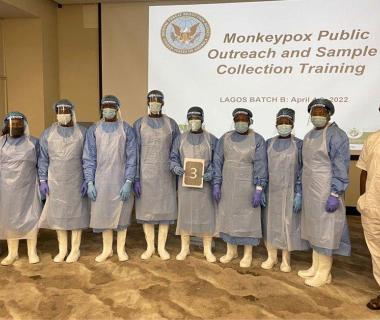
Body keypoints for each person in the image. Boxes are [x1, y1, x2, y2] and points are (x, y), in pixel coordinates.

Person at [298, 98, 351, 287]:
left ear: (329, 114)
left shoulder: (337, 135)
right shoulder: (309, 136)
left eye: (321, 112)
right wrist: (299, 190)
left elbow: (341, 166)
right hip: (310, 190)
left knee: (326, 231)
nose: (317, 116)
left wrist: (335, 193)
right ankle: (315, 266)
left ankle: (324, 272)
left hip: (327, 190)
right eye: (314, 113)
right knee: (315, 229)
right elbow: (304, 166)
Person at [83, 95, 137, 262]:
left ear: (117, 108)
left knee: (122, 214)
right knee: (103, 214)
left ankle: (120, 249)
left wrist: (128, 181)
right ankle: (107, 250)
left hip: (121, 179)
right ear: (101, 109)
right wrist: (90, 181)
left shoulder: (126, 129)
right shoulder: (94, 130)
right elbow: (89, 157)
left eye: (111, 107)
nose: (108, 110)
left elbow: (132, 157)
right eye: (105, 107)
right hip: (101, 181)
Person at [213, 108, 267, 268]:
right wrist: (217, 183)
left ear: (250, 121)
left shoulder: (258, 139)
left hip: (248, 185)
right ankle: (231, 251)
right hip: (228, 185)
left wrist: (259, 188)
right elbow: (217, 161)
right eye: (238, 119)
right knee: (228, 216)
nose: (241, 122)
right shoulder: (225, 138)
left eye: (244, 119)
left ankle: (247, 254)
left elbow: (261, 164)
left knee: (247, 218)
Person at [38, 99, 90, 263]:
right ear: (56, 114)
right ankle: (62, 250)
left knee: (76, 216)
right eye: (59, 112)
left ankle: (75, 250)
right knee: (59, 216)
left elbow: (88, 158)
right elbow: (43, 159)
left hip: (76, 180)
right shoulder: (48, 134)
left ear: (72, 112)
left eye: (65, 112)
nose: (63, 115)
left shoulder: (82, 132)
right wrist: (43, 179)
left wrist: (87, 180)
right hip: (56, 181)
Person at [133, 90, 180, 260]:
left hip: (166, 176)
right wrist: (136, 178)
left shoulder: (171, 124)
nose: (155, 104)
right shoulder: (139, 124)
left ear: (163, 103)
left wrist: (176, 170)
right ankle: (149, 247)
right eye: (152, 101)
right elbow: (134, 153)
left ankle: (161, 248)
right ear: (147, 103)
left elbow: (176, 151)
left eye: (158, 101)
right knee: (147, 213)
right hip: (145, 176)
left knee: (164, 213)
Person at [261, 108, 308, 272]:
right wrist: (260, 188)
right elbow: (263, 168)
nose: (283, 126)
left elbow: (303, 169)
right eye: (280, 123)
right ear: (275, 124)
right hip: (271, 192)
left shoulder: (299, 144)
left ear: (293, 125)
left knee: (287, 225)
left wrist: (299, 192)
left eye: (287, 123)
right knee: (270, 224)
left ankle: (286, 259)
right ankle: (271, 256)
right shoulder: (268, 143)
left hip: (290, 193)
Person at [170, 107, 217, 262]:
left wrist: (210, 173)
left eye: (196, 119)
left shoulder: (211, 139)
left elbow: (217, 161)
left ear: (202, 120)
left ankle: (207, 250)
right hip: (185, 185)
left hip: (205, 185)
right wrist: (176, 167)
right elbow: (173, 157)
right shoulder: (180, 139)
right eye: (191, 119)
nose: (193, 122)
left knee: (207, 216)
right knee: (185, 215)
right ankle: (185, 248)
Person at [0, 112, 41, 265]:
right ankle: (12, 253)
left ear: (25, 125)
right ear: (6, 125)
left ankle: (32, 252)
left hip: (29, 187)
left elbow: (41, 163)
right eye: (12, 124)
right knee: (10, 219)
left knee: (31, 218)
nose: (15, 126)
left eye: (18, 123)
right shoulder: (0, 143)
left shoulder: (33, 142)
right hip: (7, 189)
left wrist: (43, 180)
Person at [357, 108, 380, 309]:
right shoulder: (372, 139)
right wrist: (363, 198)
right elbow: (363, 171)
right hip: (373, 205)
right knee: (376, 250)